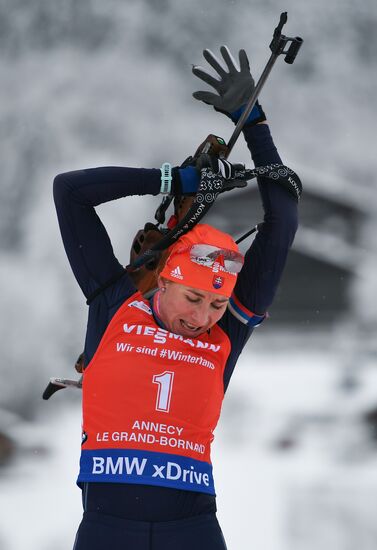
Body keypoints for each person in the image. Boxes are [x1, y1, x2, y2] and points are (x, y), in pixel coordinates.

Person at [53, 47, 299, 550]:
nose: (203, 316)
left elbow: (284, 223)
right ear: (163, 279)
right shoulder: (113, 304)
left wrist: (255, 123)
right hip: (106, 532)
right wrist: (175, 180)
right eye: (192, 297)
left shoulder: (226, 332)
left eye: (214, 304)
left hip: (192, 533)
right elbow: (70, 192)